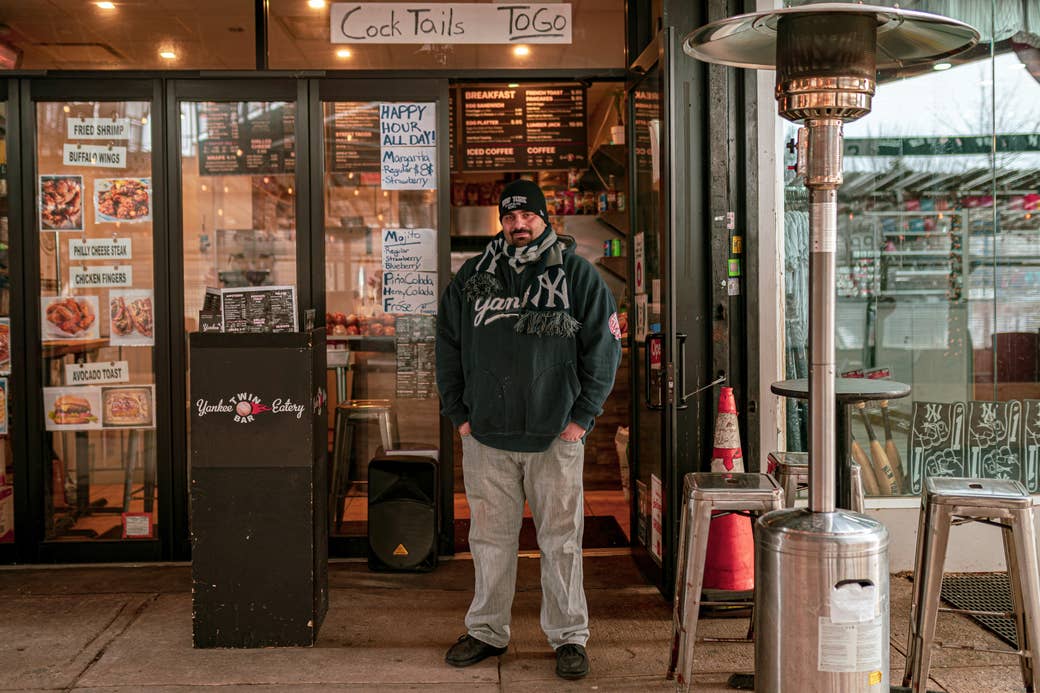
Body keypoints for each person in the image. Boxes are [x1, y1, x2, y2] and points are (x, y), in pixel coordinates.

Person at [435, 178, 622, 680]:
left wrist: (580, 421)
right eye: (510, 217)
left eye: (528, 216)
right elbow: (447, 344)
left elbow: (604, 355)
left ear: (545, 219)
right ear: (502, 221)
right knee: (489, 541)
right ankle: (486, 632)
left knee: (560, 540)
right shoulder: (475, 276)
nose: (518, 225)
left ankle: (568, 637)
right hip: (487, 437)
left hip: (553, 437)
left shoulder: (578, 277)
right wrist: (461, 416)